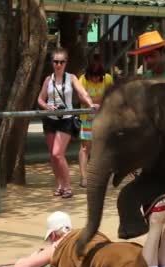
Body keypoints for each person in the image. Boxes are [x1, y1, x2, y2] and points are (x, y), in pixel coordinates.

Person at [13, 190, 165, 267]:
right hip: (121, 250)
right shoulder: (88, 232)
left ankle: (155, 223)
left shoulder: (60, 244)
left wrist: (36, 254)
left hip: (110, 260)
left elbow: (22, 266)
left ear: (54, 235)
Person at [37, 48, 98, 199]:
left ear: (66, 63)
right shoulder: (47, 80)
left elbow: (82, 93)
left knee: (58, 153)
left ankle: (67, 186)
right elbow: (40, 99)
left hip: (67, 119)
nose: (58, 65)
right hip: (50, 119)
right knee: (52, 155)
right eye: (56, 61)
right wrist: (47, 107)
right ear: (52, 63)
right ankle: (60, 185)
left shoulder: (71, 78)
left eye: (61, 62)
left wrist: (90, 104)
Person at [77, 61, 113, 188]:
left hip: (103, 118)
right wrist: (96, 101)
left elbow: (111, 95)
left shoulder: (107, 79)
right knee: (85, 148)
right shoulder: (83, 79)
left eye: (98, 76)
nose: (95, 79)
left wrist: (93, 100)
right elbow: (80, 97)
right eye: (93, 76)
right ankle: (84, 177)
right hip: (87, 118)